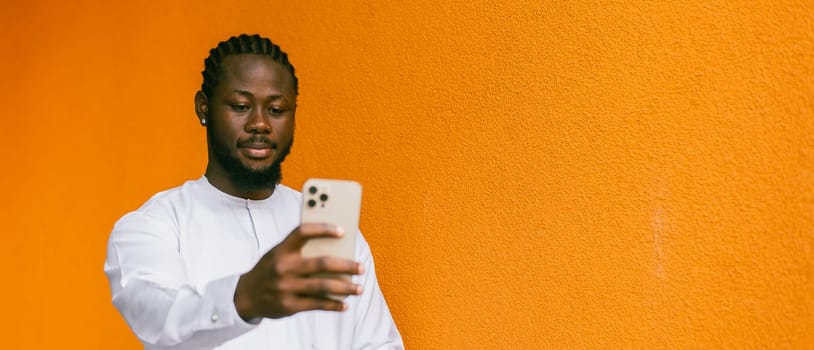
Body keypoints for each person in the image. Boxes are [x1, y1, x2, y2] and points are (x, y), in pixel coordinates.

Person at [104, 34, 404, 349]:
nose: (260, 123)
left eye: (276, 109)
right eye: (241, 106)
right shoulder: (152, 226)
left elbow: (379, 343)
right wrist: (243, 298)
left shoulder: (330, 230)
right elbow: (157, 320)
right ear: (203, 107)